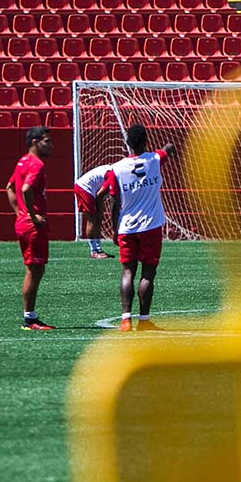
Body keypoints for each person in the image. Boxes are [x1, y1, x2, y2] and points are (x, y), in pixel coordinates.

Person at [97, 124, 175, 332]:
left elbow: (114, 203)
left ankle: (125, 319)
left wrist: (114, 230)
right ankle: (144, 320)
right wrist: (171, 149)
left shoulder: (116, 169)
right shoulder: (155, 159)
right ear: (146, 141)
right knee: (148, 273)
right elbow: (167, 148)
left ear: (127, 143)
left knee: (127, 272)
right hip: (151, 226)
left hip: (126, 227)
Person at [6, 126, 56, 330]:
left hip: (23, 223)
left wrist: (19, 211)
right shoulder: (36, 164)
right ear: (35, 142)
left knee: (34, 269)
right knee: (34, 271)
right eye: (46, 141)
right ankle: (30, 319)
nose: (50, 145)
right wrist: (32, 215)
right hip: (33, 225)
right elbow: (26, 188)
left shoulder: (22, 162)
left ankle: (30, 317)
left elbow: (9, 187)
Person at [74, 164, 115, 259]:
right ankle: (94, 251)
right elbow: (100, 194)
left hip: (93, 190)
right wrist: (100, 210)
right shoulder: (113, 175)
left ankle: (98, 249)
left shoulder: (115, 172)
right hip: (84, 188)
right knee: (92, 219)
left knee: (98, 218)